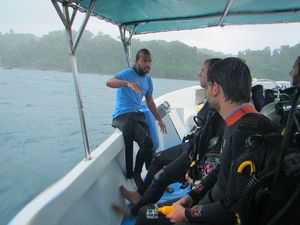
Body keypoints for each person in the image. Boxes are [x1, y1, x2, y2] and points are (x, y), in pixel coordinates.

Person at [134, 57, 277, 225]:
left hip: (212, 215)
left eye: (208, 86)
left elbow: (230, 210)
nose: (207, 92)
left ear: (215, 88)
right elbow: (220, 170)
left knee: (146, 215)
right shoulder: (250, 122)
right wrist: (190, 196)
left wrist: (186, 214)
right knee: (148, 212)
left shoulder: (242, 133)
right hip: (205, 203)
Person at [114, 58, 224, 216]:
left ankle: (139, 211)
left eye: (203, 70)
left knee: (154, 196)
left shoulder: (219, 112)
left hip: (195, 160)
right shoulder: (212, 104)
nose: (199, 72)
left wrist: (194, 181)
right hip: (193, 150)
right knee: (158, 162)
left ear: (214, 79)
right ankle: (139, 202)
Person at [106, 48, 167, 189]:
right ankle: (136, 173)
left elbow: (150, 102)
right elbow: (109, 82)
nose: (147, 64)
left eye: (149, 61)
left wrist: (159, 119)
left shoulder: (148, 80)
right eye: (144, 61)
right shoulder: (127, 73)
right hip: (123, 116)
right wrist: (127, 83)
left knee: (150, 148)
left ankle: (152, 180)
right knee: (147, 143)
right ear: (137, 62)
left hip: (137, 115)